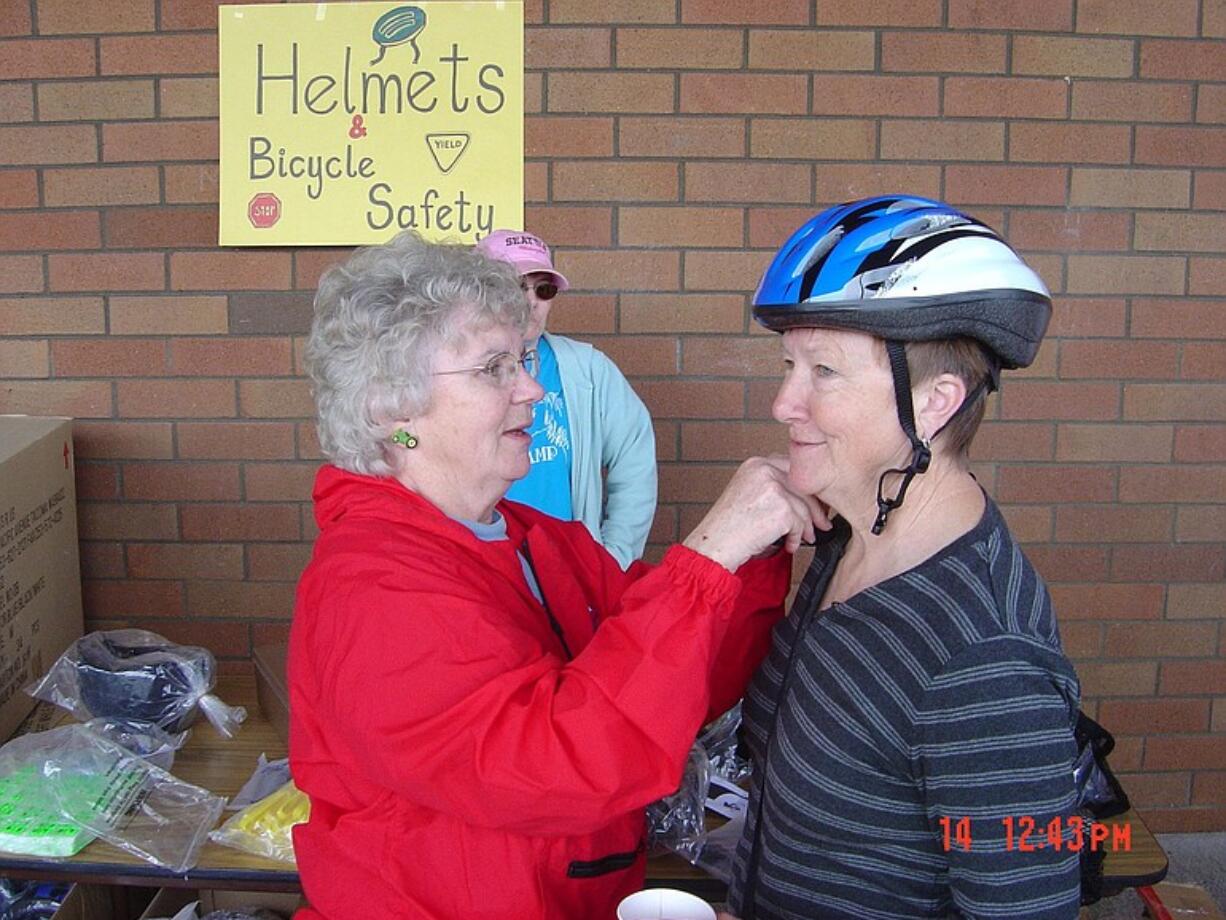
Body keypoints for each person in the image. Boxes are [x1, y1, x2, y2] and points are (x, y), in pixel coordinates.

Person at [289, 230, 828, 920]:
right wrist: (709, 556)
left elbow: (680, 684)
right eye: (494, 369)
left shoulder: (541, 542)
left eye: (522, 361)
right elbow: (558, 767)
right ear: (393, 412)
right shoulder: (372, 588)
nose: (532, 388)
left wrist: (753, 554)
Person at [723, 196, 1083, 919]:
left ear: (937, 402)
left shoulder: (984, 663)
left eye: (823, 371)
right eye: (789, 364)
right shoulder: (849, 536)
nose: (783, 402)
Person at [474, 229, 656, 569]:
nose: (530, 302)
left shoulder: (586, 368)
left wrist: (613, 558)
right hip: (481, 568)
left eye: (544, 289)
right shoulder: (455, 369)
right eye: (515, 286)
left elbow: (635, 455)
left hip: (566, 575)